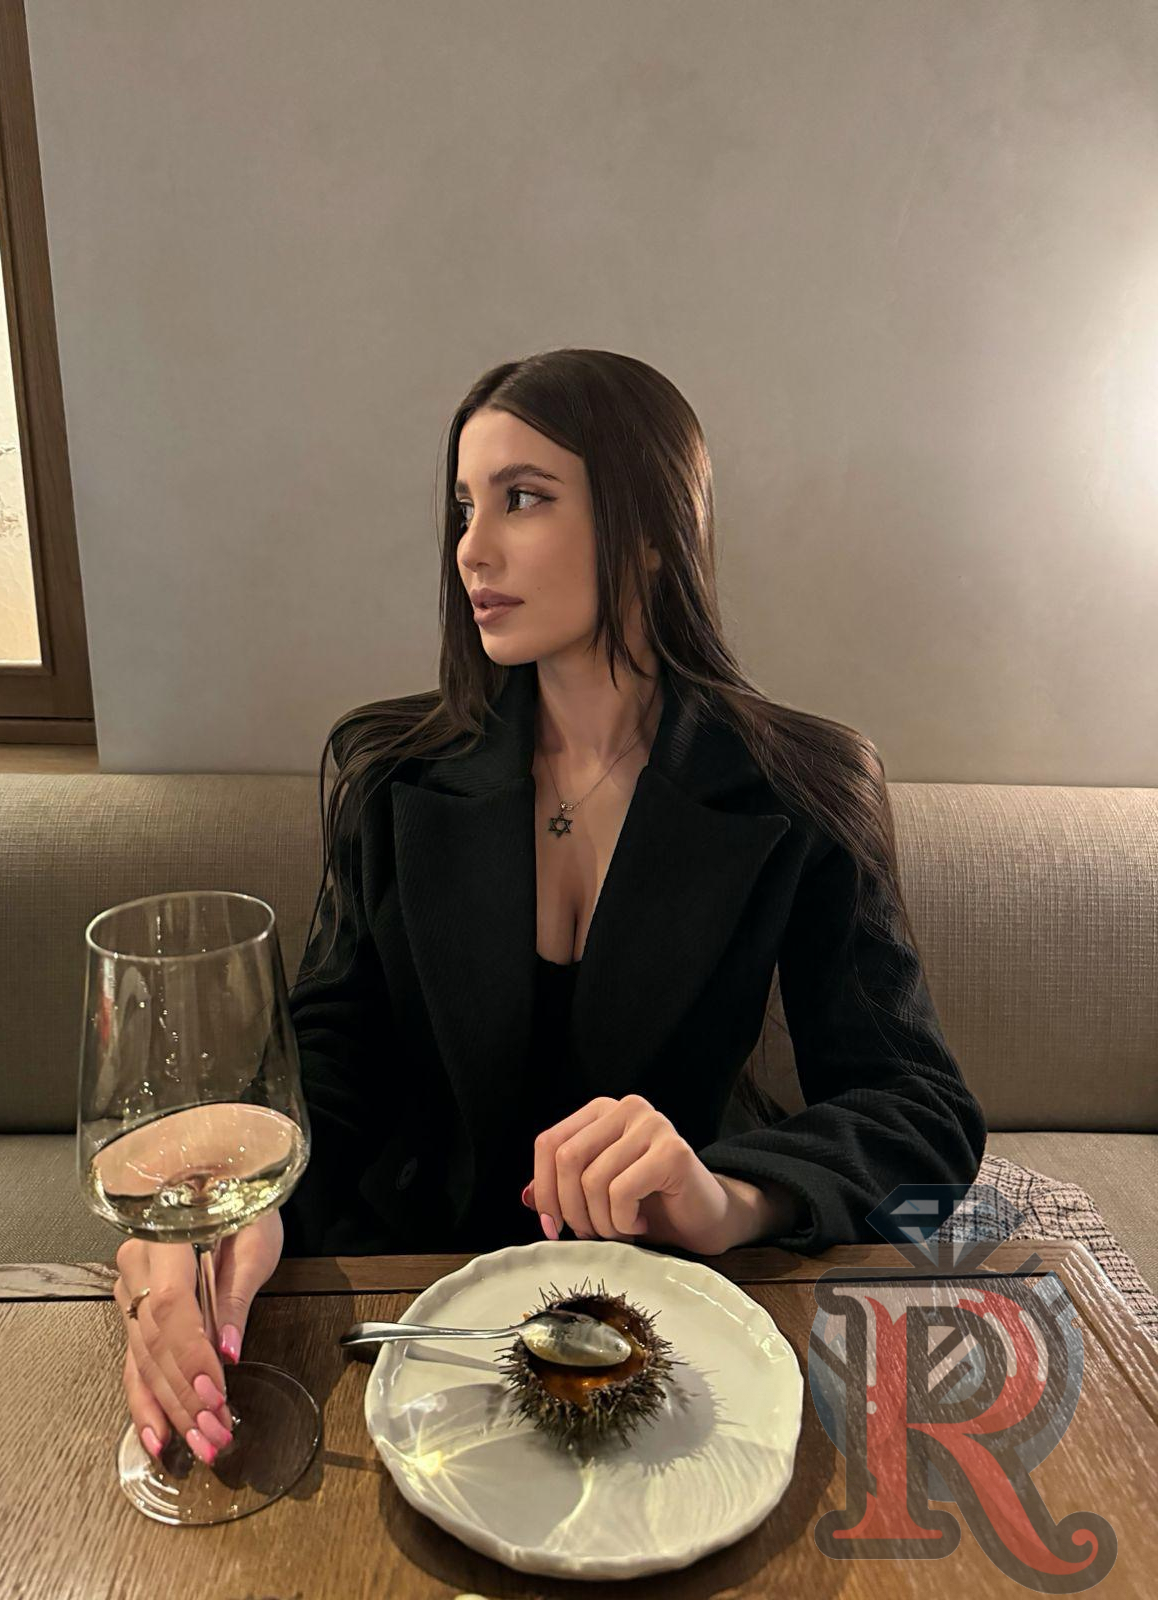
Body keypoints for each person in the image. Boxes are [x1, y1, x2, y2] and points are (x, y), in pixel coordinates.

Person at [114, 348, 986, 1467]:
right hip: (409, 1296)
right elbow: (328, 1054)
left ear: (652, 527)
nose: (471, 548)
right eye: (463, 507)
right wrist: (246, 1208)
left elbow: (919, 1108)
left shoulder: (800, 788)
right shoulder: (389, 772)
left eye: (522, 498)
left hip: (673, 1312)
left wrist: (729, 1198)